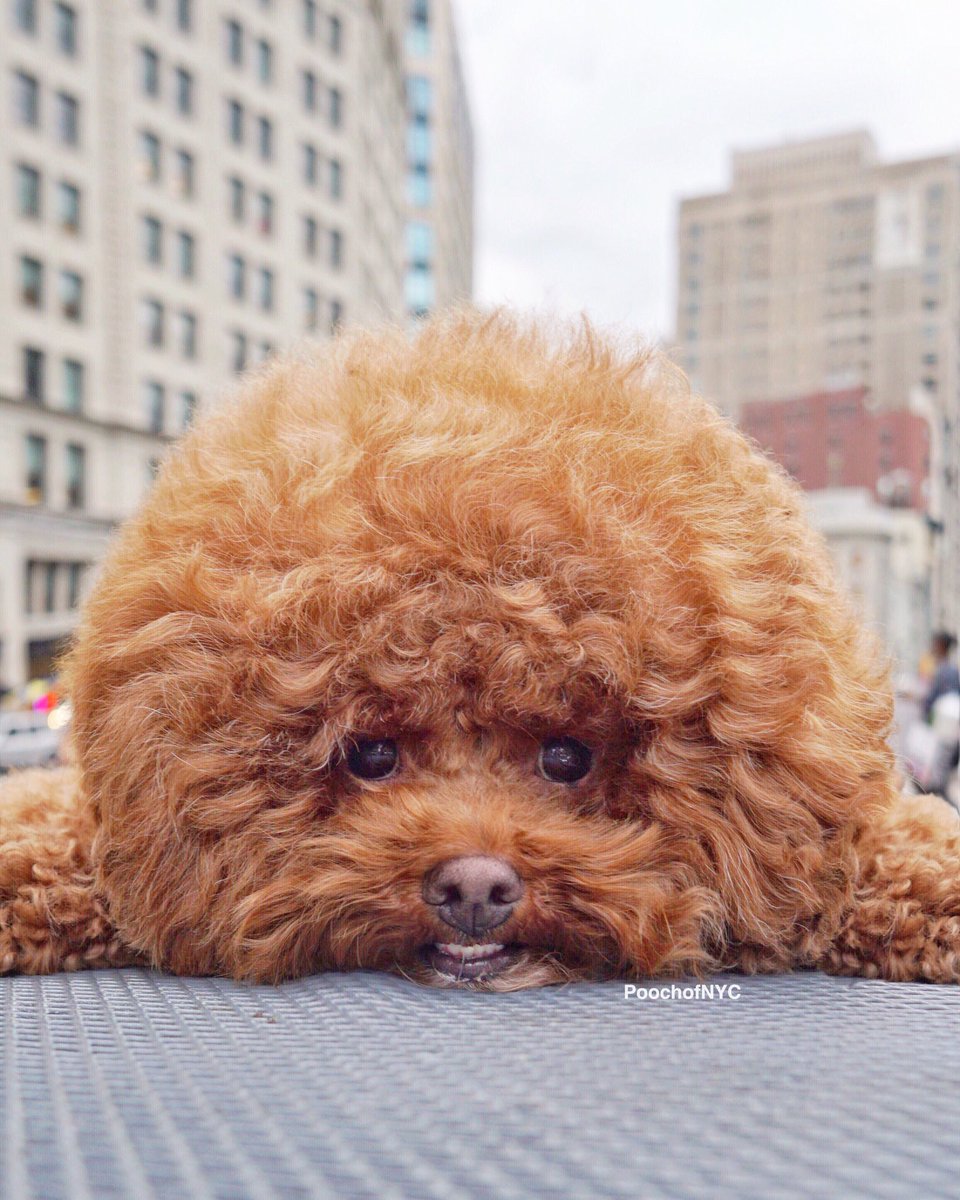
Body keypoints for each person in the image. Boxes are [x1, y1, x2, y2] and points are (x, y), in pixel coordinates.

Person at [922, 631, 960, 721]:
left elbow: (933, 697)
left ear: (941, 646)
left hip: (944, 718)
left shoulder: (944, 670)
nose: (932, 647)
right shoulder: (950, 668)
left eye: (935, 644)